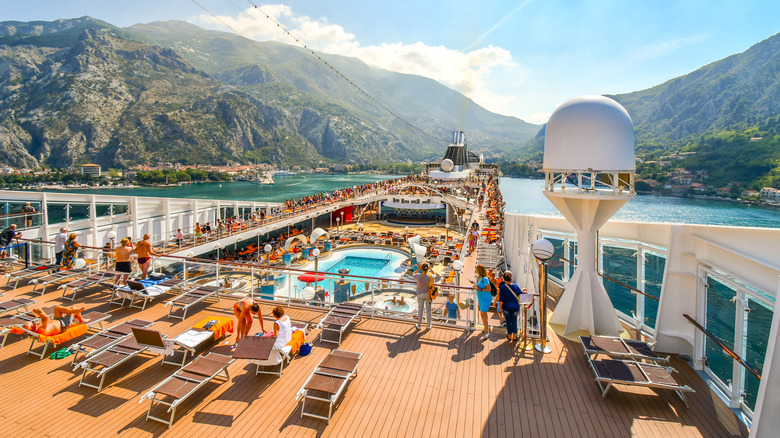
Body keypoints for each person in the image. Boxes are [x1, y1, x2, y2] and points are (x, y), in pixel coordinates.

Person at [21, 305, 90, 336]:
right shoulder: (40, 331)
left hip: (57, 320)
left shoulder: (38, 327)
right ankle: (79, 316)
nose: (30, 322)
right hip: (64, 325)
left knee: (57, 308)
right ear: (32, 327)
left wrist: (38, 312)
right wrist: (39, 312)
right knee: (73, 307)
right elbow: (46, 318)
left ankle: (75, 311)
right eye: (29, 323)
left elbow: (44, 320)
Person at [498, 271, 523, 341]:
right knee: (514, 321)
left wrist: (500, 308)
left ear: (503, 278)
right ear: (511, 278)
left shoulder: (502, 287)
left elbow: (501, 299)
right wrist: (524, 290)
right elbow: (521, 293)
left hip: (506, 307)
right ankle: (515, 336)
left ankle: (509, 335)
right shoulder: (515, 286)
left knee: (508, 321)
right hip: (515, 307)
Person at [473, 265, 493, 339]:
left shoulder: (484, 278)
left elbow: (489, 289)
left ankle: (487, 332)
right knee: (483, 314)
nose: (476, 271)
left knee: (483, 314)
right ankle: (486, 327)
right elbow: (478, 286)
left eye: (477, 269)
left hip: (486, 298)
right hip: (481, 298)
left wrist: (479, 289)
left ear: (480, 270)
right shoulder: (478, 278)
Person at [413, 262, 433, 329]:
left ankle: (419, 325)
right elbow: (435, 274)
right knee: (428, 310)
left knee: (420, 310)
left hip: (420, 294)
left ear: (422, 268)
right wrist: (430, 268)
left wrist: (418, 269)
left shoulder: (418, 276)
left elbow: (413, 274)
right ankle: (429, 325)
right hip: (428, 295)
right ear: (428, 269)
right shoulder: (430, 276)